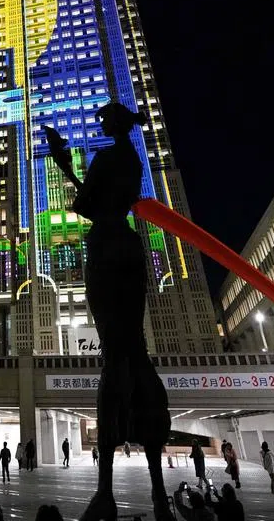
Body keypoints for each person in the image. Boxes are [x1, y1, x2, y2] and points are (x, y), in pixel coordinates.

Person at [45, 104, 173, 521]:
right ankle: (157, 493)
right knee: (136, 348)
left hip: (105, 246)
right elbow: (111, 202)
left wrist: (64, 163)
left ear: (113, 124)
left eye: (103, 121)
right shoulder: (133, 159)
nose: (99, 125)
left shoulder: (105, 158)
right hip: (129, 245)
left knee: (114, 356)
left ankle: (105, 491)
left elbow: (86, 205)